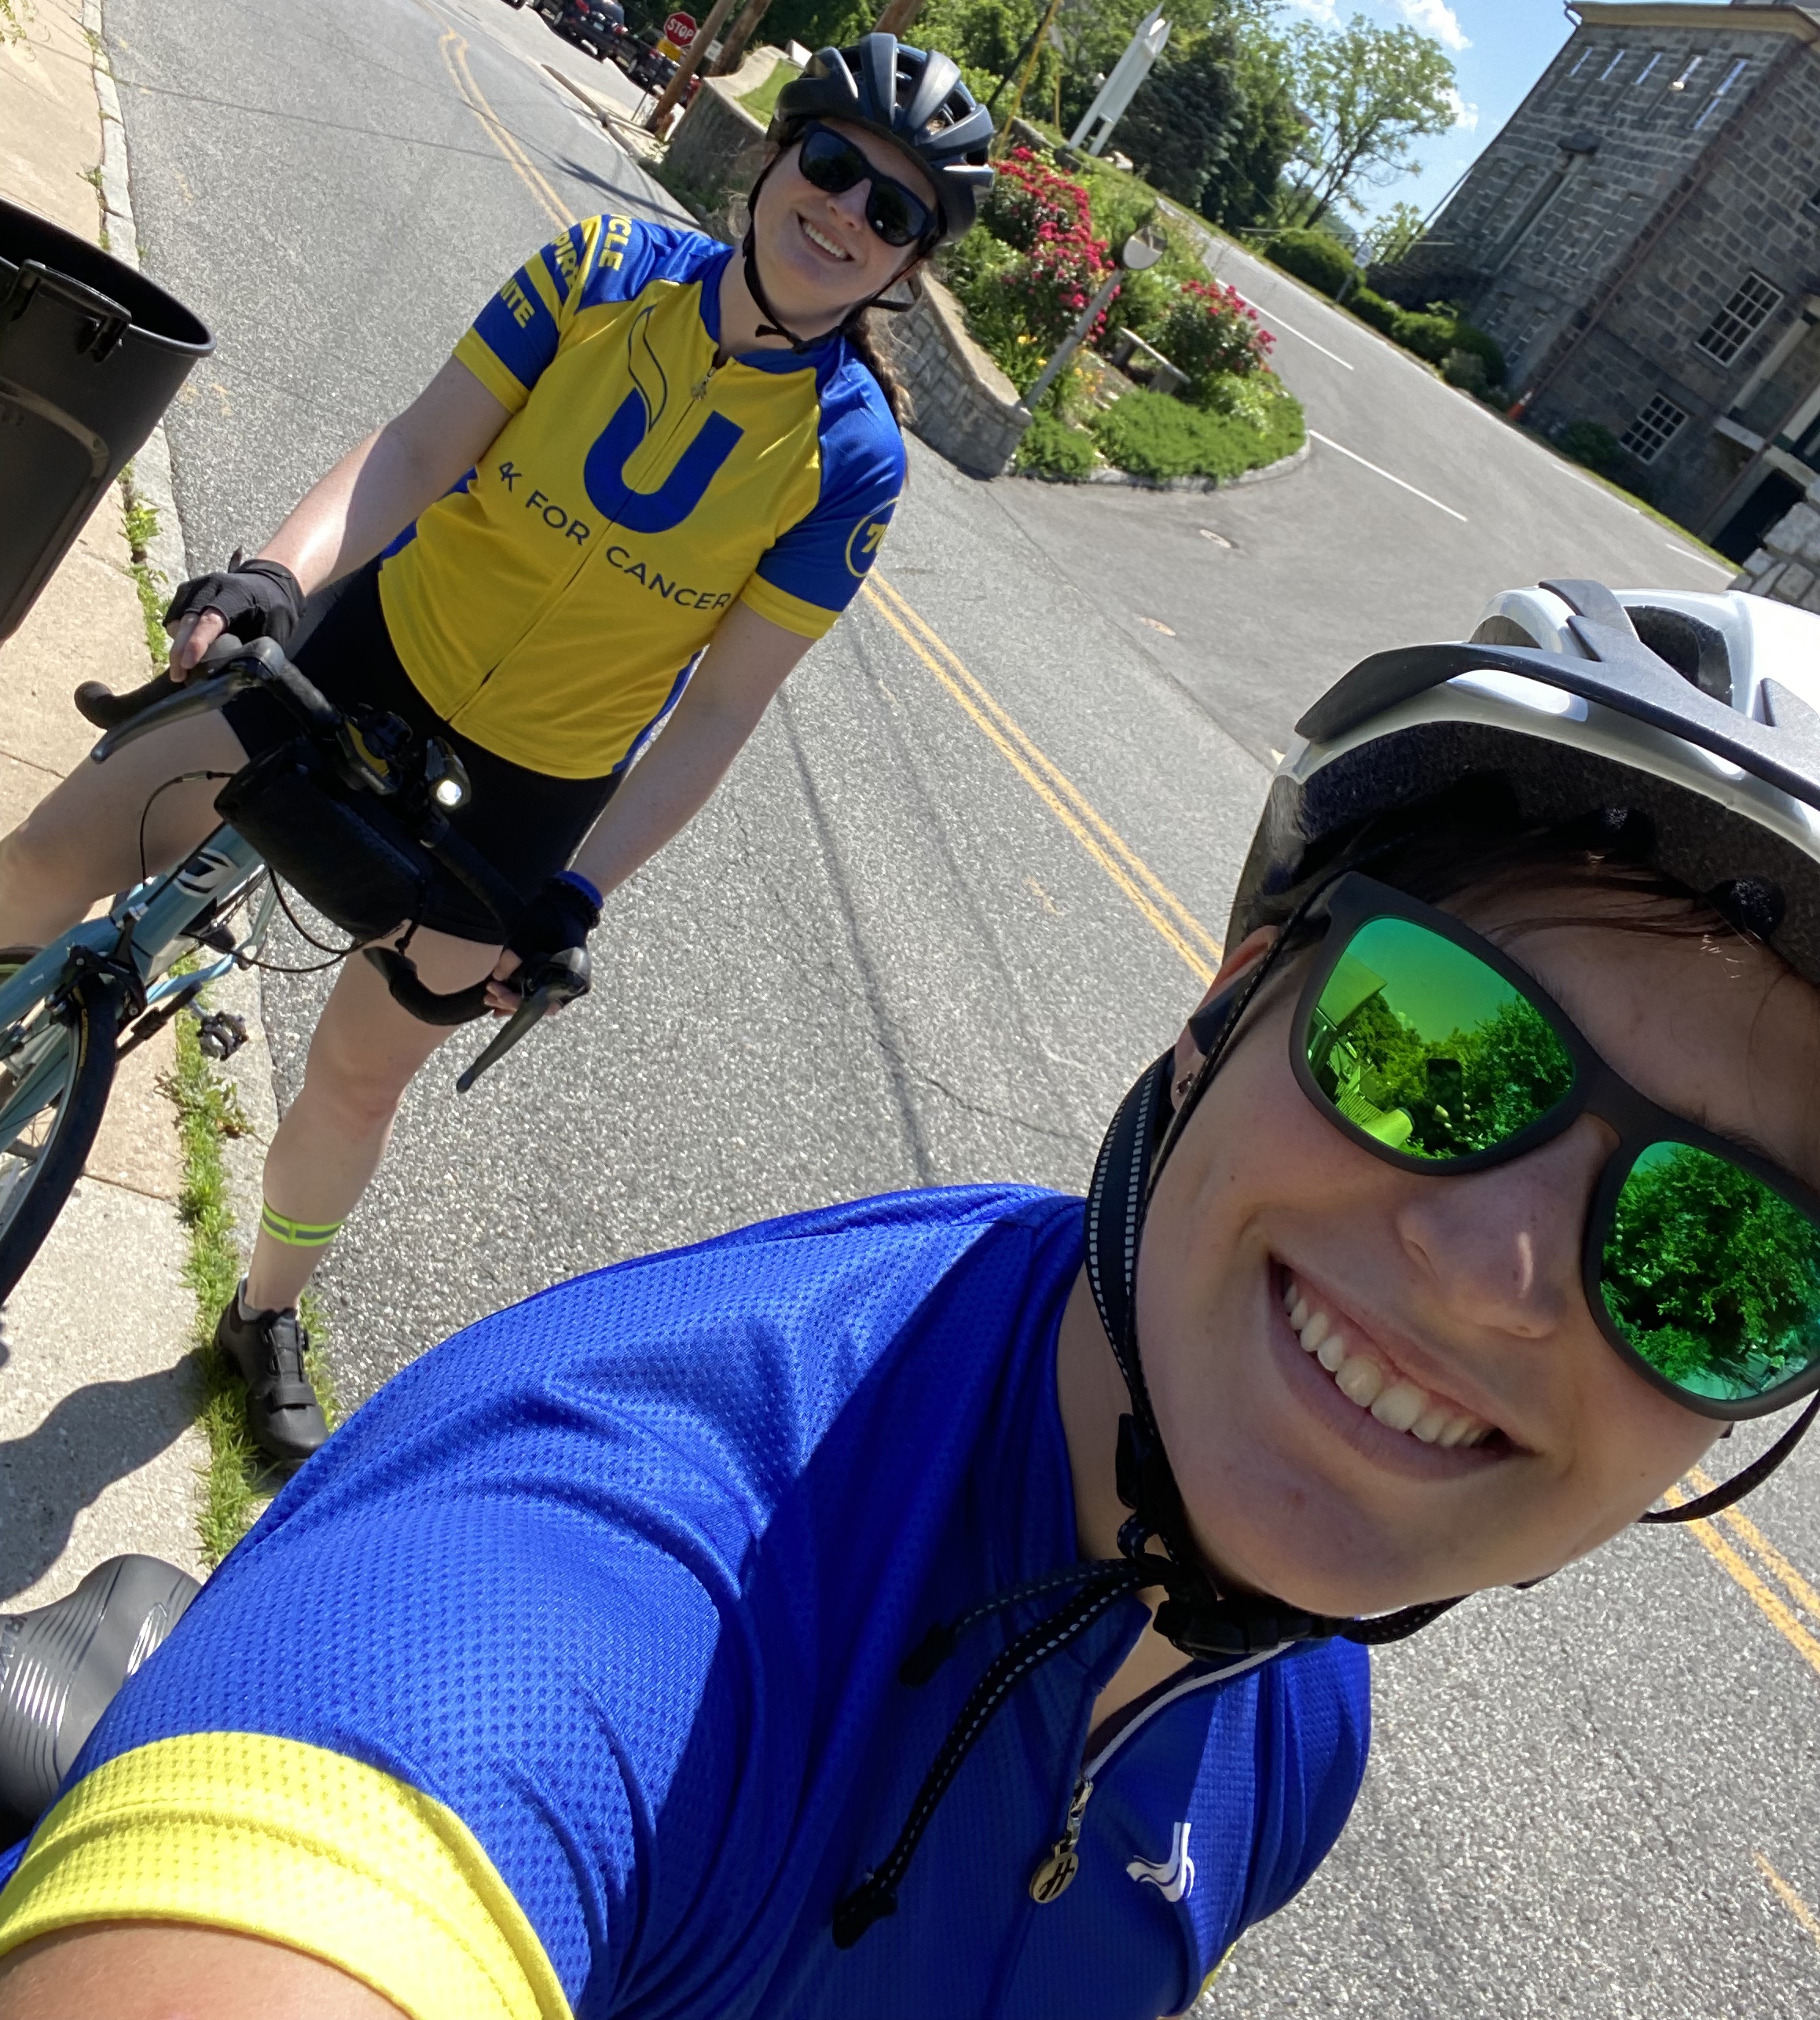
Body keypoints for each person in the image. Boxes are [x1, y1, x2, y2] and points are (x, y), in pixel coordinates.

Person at [2, 575, 1819, 2020]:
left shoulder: (1293, 1726)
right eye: (1440, 1050)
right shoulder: (623, 1565)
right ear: (1227, 1008)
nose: (1495, 1276)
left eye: (1729, 1261)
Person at [0, 37, 992, 1464]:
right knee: (45, 858)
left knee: (358, 1078)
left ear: (907, 266)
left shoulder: (853, 459)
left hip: (524, 790)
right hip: (370, 656)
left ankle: (264, 1310)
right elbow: (418, 453)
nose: (845, 212)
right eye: (834, 166)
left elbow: (719, 709)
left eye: (892, 211)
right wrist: (276, 577)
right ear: (778, 155)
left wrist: (575, 893)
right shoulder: (602, 269)